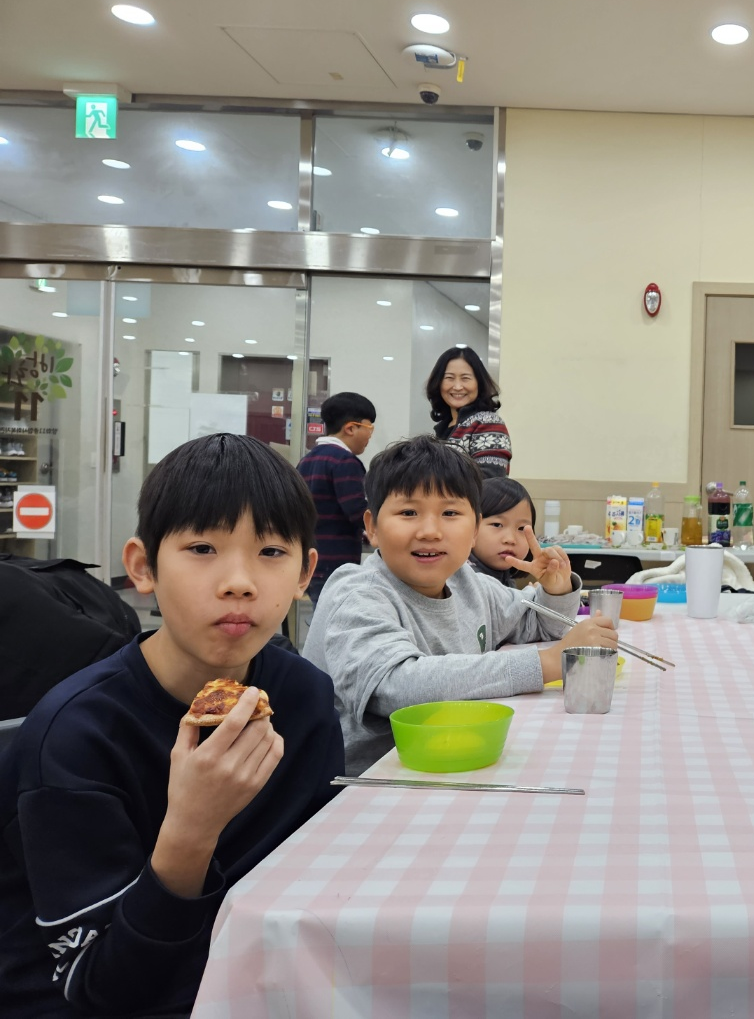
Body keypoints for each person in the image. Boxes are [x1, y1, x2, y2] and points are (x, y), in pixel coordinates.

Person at [0, 434, 344, 1017]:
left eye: (271, 551)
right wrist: (192, 827)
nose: (239, 581)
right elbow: (106, 989)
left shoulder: (304, 697)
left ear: (305, 572)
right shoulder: (76, 736)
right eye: (202, 547)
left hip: (256, 981)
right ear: (143, 567)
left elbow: (315, 877)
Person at [303, 436, 616, 774]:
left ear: (474, 529)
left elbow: (538, 624)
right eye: (408, 512)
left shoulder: (467, 583)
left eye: (450, 513)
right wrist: (548, 663)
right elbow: (392, 686)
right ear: (372, 527)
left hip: (455, 757)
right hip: (364, 781)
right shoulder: (356, 593)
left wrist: (555, 591)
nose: (430, 531)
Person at [296, 391, 377, 604]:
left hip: (311, 558)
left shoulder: (306, 460)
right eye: (369, 428)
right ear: (350, 428)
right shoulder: (345, 462)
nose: (370, 435)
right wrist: (383, 527)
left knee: (321, 612)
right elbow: (357, 511)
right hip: (336, 562)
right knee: (335, 613)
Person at [426, 345, 511, 476]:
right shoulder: (444, 427)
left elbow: (491, 479)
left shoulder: (488, 422)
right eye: (449, 378)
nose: (457, 386)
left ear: (479, 383)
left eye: (465, 378)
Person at [470, 476, 537, 586]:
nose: (510, 539)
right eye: (497, 525)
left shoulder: (505, 577)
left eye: (521, 528)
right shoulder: (467, 578)